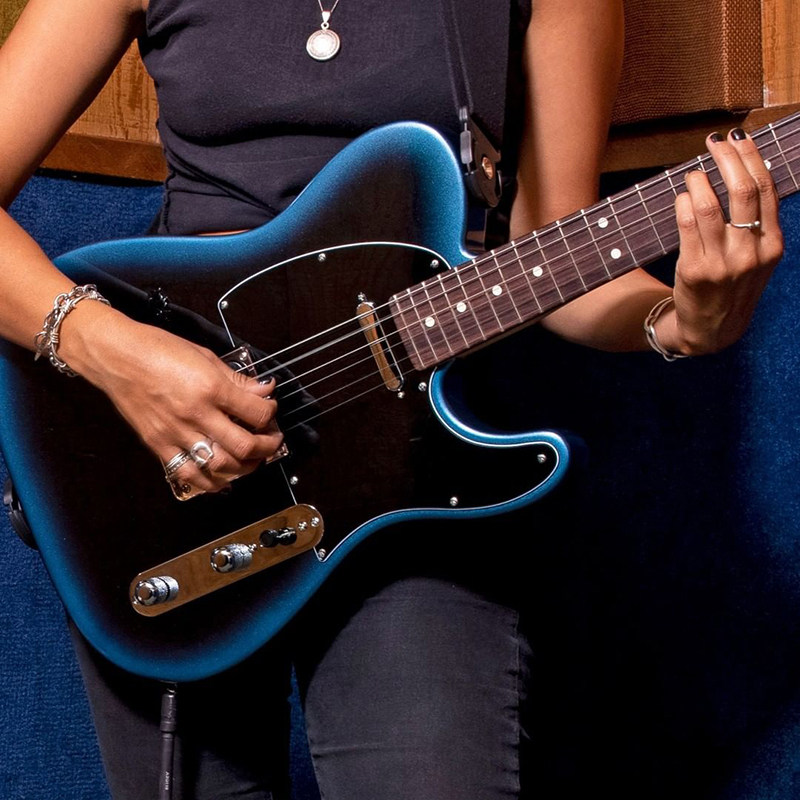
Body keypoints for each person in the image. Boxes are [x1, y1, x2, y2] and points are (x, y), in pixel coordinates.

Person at [0, 0, 785, 798]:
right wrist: (114, 353)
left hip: (415, 477)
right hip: (172, 463)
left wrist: (676, 321)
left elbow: (555, 247)